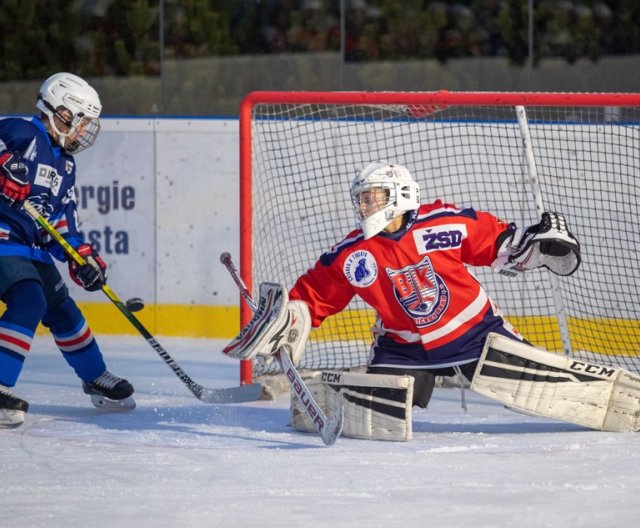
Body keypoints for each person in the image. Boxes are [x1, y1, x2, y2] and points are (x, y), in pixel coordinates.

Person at [225, 160, 593, 438]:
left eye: (373, 197)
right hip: (404, 345)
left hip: (473, 332)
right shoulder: (353, 254)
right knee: (378, 409)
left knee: (531, 384)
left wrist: (538, 247)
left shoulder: (443, 223)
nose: (365, 206)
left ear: (399, 194)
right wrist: (286, 317)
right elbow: (315, 295)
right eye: (362, 200)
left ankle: (587, 391)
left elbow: (499, 245)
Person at [0, 72, 135, 428]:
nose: (82, 132)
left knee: (61, 307)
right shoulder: (21, 133)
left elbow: (62, 222)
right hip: (2, 238)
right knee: (30, 299)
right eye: (80, 123)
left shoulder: (65, 164)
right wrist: (4, 167)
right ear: (61, 113)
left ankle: (95, 376)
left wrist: (82, 259)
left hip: (30, 248)